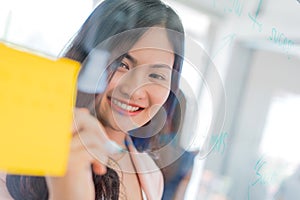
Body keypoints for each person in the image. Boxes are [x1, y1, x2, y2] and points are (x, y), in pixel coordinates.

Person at [0, 0, 185, 199]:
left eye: (156, 76)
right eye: (122, 64)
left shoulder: (150, 175)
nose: (134, 91)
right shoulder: (21, 149)